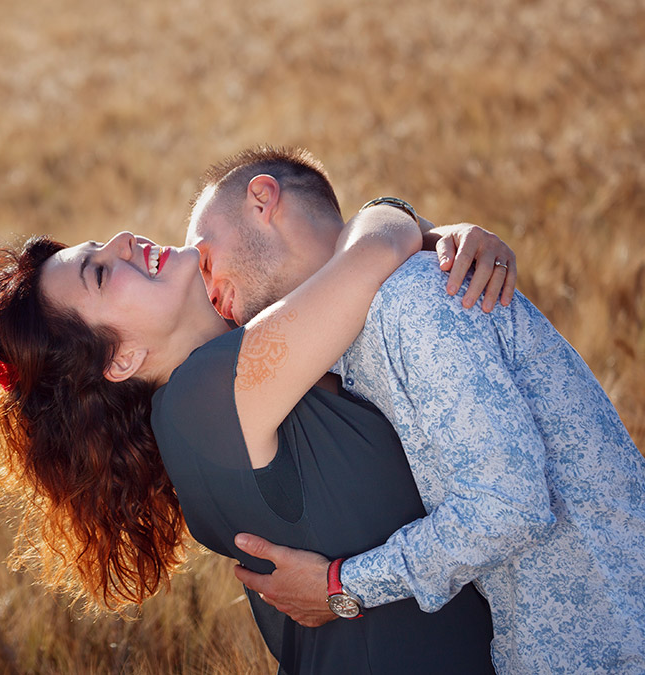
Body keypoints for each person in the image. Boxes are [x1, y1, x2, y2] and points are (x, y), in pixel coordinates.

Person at [0, 200, 515, 672]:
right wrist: (394, 214)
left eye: (99, 247)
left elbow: (364, 268)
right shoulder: (203, 398)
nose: (122, 241)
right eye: (102, 273)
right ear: (122, 358)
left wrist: (442, 241)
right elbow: (375, 252)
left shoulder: (235, 372)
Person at [183, 146, 645, 674]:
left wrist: (339, 587)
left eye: (204, 253)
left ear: (263, 199)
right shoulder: (353, 345)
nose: (205, 283)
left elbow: (508, 503)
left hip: (616, 641)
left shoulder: (412, 301)